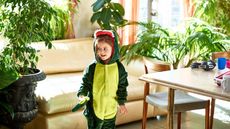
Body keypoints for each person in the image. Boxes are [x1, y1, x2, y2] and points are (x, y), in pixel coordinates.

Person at [76, 29, 129, 129]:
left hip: (110, 110)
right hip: (94, 109)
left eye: (105, 48)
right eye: (98, 49)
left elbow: (122, 87)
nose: (101, 52)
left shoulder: (119, 68)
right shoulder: (92, 68)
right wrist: (82, 94)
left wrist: (121, 103)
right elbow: (85, 83)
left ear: (113, 49)